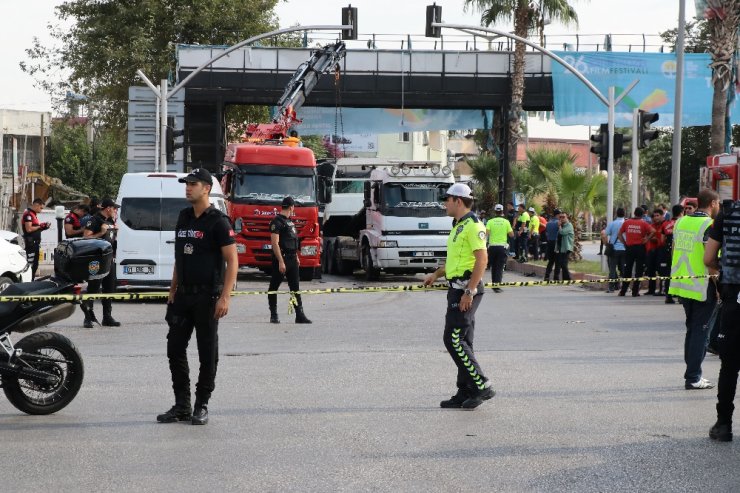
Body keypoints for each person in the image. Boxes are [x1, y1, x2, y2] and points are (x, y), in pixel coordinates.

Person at [157, 168, 238, 426]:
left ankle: (201, 404)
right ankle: (181, 404)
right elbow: (180, 258)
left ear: (206, 188)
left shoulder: (218, 221)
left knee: (207, 353)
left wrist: (225, 297)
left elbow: (232, 261)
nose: (187, 187)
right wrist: (172, 289)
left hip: (207, 297)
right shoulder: (183, 217)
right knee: (174, 349)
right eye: (186, 184)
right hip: (183, 296)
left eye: (193, 184)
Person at [424, 183, 494, 410]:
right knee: (464, 341)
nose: (444, 203)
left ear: (458, 200)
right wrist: (436, 274)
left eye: (447, 199)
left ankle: (481, 384)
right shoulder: (458, 226)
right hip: (456, 287)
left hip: (466, 289)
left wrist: (469, 291)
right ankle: (465, 391)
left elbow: (481, 260)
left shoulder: (474, 226)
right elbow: (456, 260)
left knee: (453, 339)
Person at [668, 189, 720, 391]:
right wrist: (718, 287)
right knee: (701, 332)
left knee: (692, 329)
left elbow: (673, 251)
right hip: (702, 286)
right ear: (713, 203)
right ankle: (693, 377)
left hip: (683, 284)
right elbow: (711, 261)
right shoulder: (709, 225)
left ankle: (691, 372)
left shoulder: (681, 222)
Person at [704, 195, 740, 442]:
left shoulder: (727, 213)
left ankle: (723, 425)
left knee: (730, 365)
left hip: (734, 296)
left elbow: (708, 259)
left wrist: (724, 269)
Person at [268, 196, 312, 324]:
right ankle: (274, 314)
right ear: (291, 207)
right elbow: (275, 243)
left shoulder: (290, 222)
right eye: (294, 207)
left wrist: (297, 256)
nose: (294, 210)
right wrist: (281, 261)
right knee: (274, 287)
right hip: (282, 258)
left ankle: (300, 314)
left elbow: (293, 241)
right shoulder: (276, 222)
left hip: (292, 258)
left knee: (295, 287)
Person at [83, 197, 121, 328]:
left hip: (109, 259)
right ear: (108, 208)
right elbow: (86, 237)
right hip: (96, 260)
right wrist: (101, 232)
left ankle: (107, 316)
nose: (115, 210)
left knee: (109, 288)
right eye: (114, 208)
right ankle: (88, 317)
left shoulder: (110, 220)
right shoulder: (94, 220)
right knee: (93, 288)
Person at [617, 207, 655, 297]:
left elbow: (619, 234)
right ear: (643, 214)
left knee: (627, 269)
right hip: (640, 248)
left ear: (634, 213)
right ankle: (635, 291)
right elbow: (653, 231)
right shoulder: (644, 223)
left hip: (629, 248)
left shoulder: (627, 222)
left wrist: (625, 243)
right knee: (639, 270)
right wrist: (647, 239)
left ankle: (623, 291)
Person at [486, 203, 514, 293]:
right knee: (499, 267)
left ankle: (494, 284)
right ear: (502, 211)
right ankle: (497, 286)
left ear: (495, 212)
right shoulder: (506, 222)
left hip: (492, 247)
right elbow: (511, 234)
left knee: (493, 266)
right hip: (502, 247)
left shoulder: (490, 221)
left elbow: (486, 233)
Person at [22, 198, 50, 280]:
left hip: (35, 243)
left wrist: (43, 227)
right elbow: (29, 229)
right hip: (31, 244)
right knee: (31, 264)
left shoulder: (33, 214)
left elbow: (35, 228)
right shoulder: (28, 214)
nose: (41, 210)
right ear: (36, 205)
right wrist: (40, 226)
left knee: (35, 264)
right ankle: (28, 281)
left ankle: (31, 280)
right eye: (41, 208)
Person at [662, 204, 685, 304]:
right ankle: (680, 297)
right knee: (681, 273)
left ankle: (668, 296)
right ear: (681, 212)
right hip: (681, 250)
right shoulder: (683, 222)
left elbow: (662, 239)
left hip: (668, 250)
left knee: (669, 274)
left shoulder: (666, 223)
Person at [602, 207, 626, 293]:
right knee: (624, 269)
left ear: (616, 214)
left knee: (612, 269)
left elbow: (604, 234)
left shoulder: (612, 224)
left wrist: (606, 244)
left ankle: (611, 288)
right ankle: (625, 287)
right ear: (624, 214)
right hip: (624, 249)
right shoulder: (626, 223)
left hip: (614, 249)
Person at [645, 209, 666, 296]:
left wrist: (656, 239)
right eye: (654, 216)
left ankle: (662, 289)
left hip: (662, 251)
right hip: (651, 251)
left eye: (658, 215)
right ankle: (651, 289)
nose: (656, 217)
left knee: (662, 271)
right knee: (651, 270)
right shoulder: (652, 226)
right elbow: (647, 235)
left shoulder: (665, 225)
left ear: (662, 216)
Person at [554, 211, 574, 281]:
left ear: (567, 217)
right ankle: (564, 279)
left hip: (566, 248)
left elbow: (562, 233)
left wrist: (559, 226)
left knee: (564, 264)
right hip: (560, 248)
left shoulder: (569, 225)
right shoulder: (562, 225)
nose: (562, 219)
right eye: (560, 217)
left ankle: (568, 279)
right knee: (561, 264)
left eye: (563, 217)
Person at [543, 209, 561, 281]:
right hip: (556, 243)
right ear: (558, 215)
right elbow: (560, 232)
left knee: (551, 261)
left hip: (549, 243)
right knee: (557, 261)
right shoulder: (558, 223)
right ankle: (556, 277)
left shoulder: (548, 223)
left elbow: (546, 233)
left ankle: (546, 276)